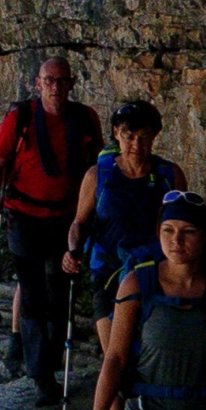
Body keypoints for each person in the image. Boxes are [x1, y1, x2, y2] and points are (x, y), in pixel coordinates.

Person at [0, 57, 104, 405]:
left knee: (59, 294)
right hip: (24, 217)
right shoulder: (19, 118)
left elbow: (96, 165)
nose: (55, 86)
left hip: (67, 220)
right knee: (34, 295)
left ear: (71, 84)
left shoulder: (84, 119)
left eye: (61, 80)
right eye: (49, 80)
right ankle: (42, 375)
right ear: (38, 84)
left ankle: (48, 364)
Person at [93, 191, 206, 410]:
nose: (176, 240)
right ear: (158, 233)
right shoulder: (137, 283)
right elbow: (115, 359)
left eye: (189, 231)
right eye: (168, 230)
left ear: (205, 236)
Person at [62, 101, 188, 370]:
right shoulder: (98, 176)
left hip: (155, 275)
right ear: (116, 134)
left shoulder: (170, 176)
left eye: (144, 138)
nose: (136, 145)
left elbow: (184, 226)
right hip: (108, 273)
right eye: (128, 136)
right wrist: (73, 250)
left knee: (150, 360)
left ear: (155, 137)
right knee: (114, 361)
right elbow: (80, 223)